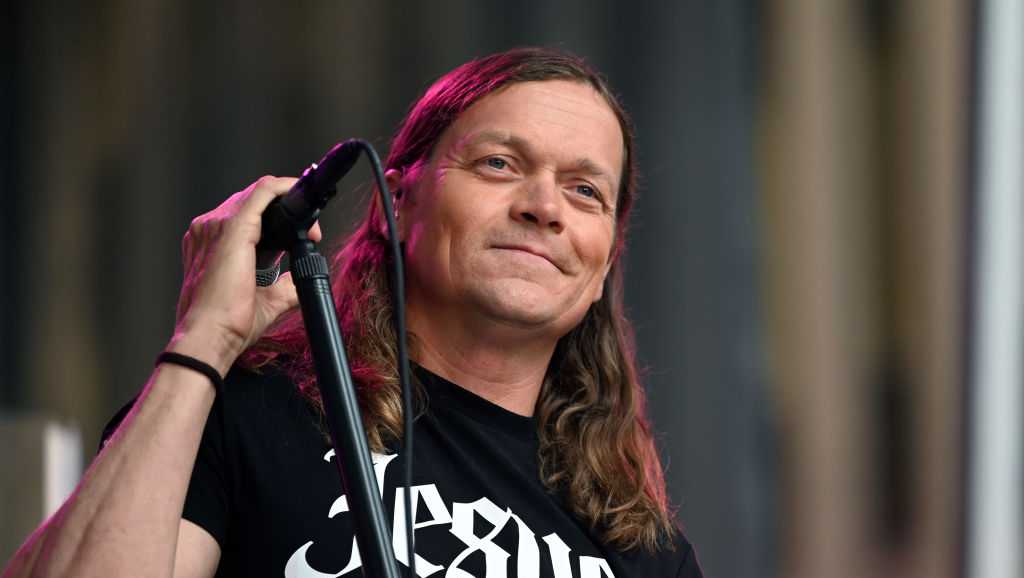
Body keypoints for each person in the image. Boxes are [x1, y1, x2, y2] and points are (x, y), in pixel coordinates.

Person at [2, 47, 702, 578]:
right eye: (499, 164)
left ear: (605, 261)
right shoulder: (243, 419)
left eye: (584, 191)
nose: (544, 207)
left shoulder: (642, 549)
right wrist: (203, 339)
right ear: (398, 203)